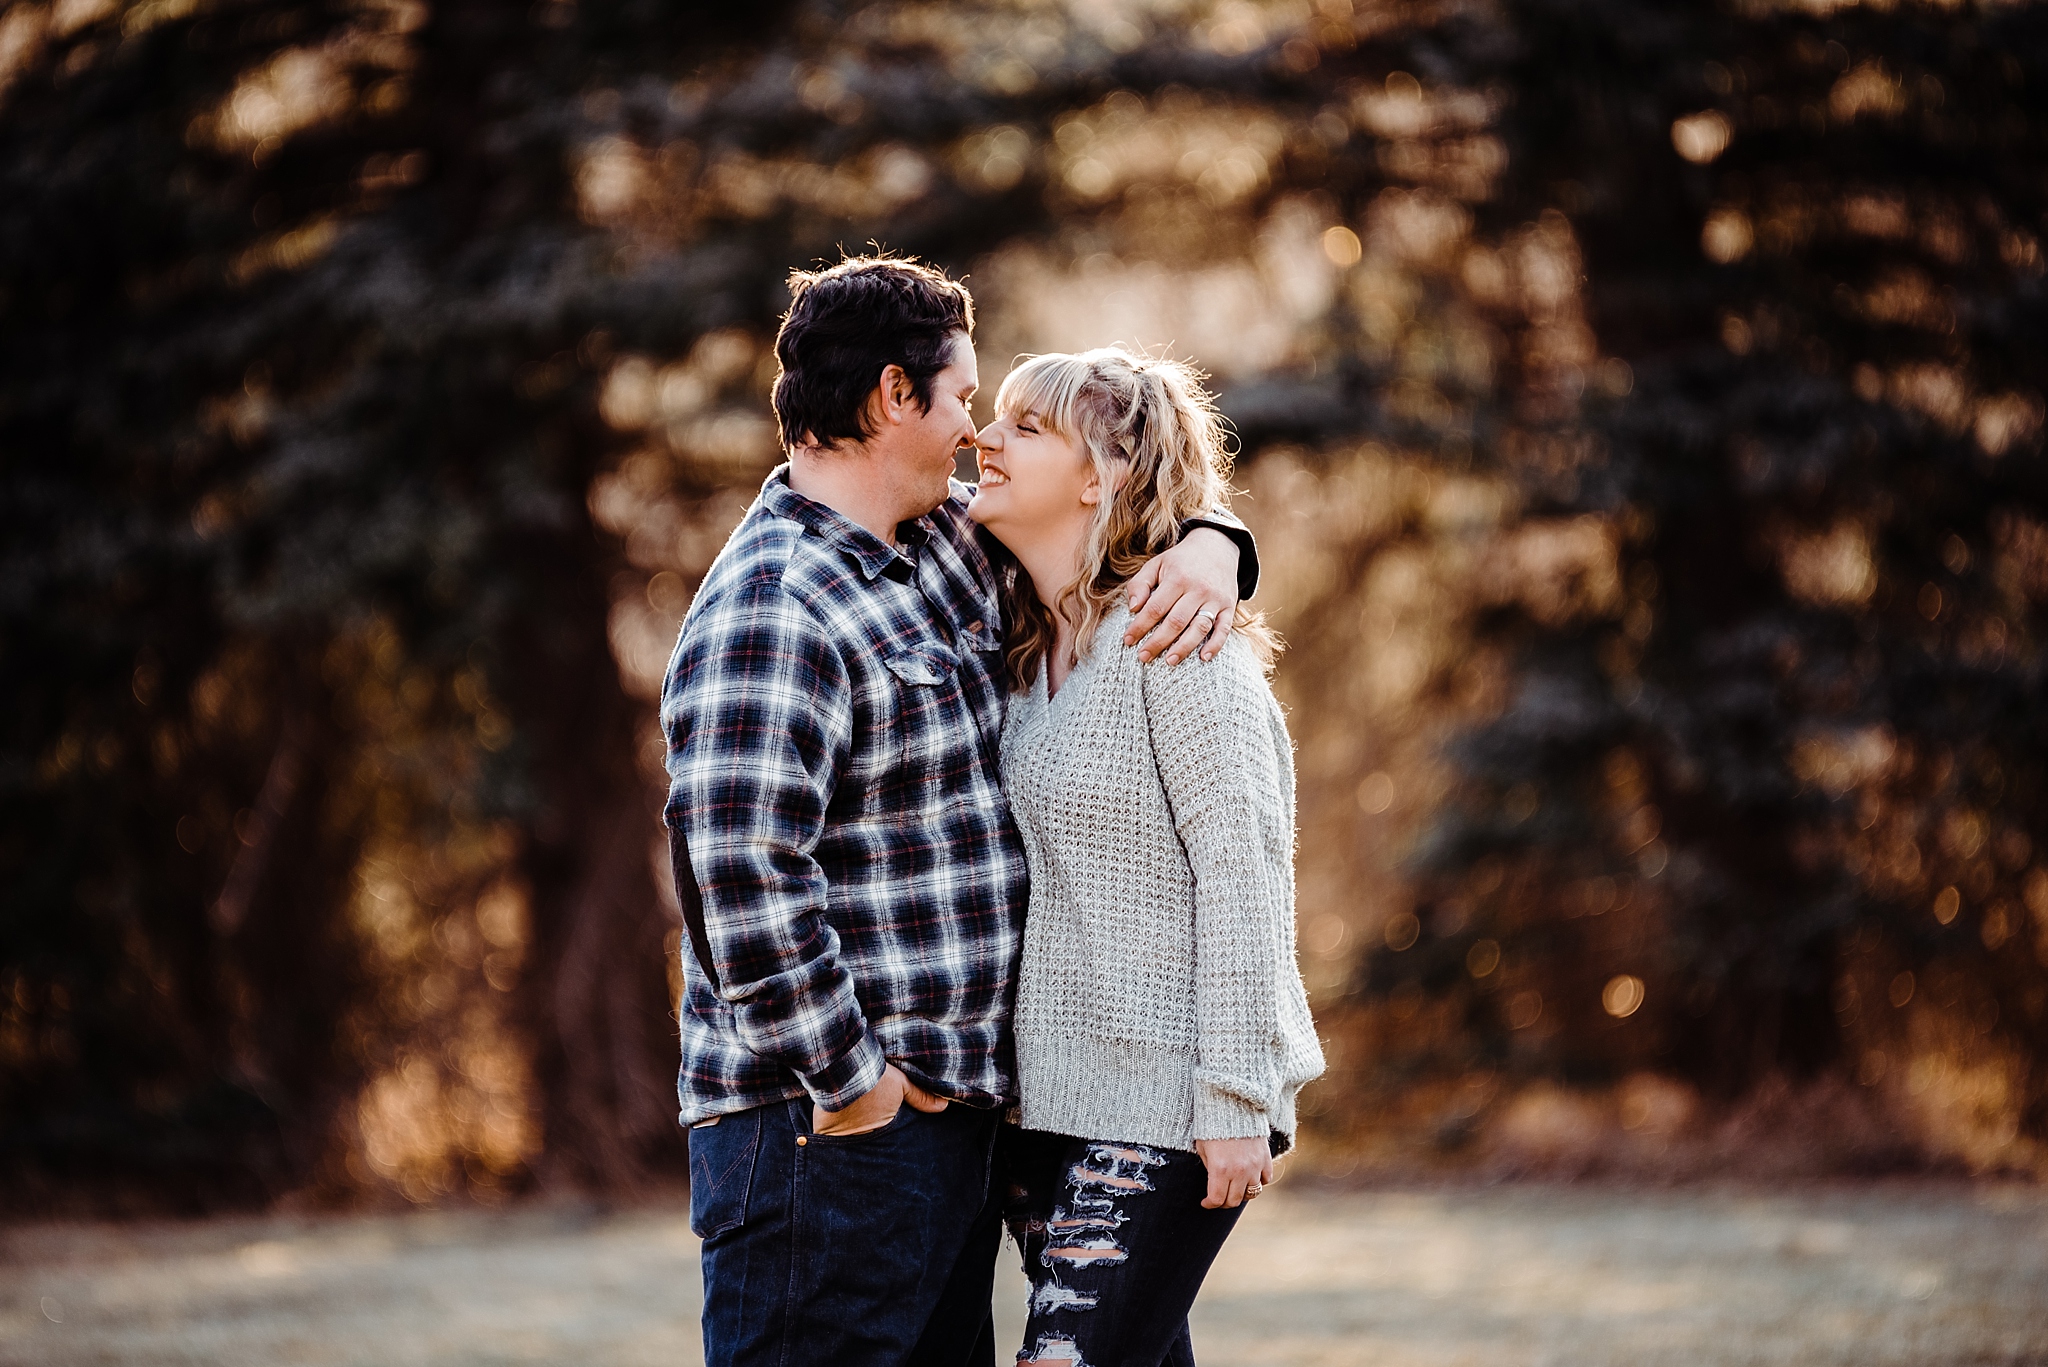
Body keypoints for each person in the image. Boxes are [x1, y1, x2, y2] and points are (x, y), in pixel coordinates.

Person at [659, 257, 1259, 1367]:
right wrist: (855, 1085)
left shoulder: (940, 547)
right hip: (819, 1134)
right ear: (896, 395)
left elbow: (1108, 511)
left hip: (950, 1134)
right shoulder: (773, 602)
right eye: (965, 398)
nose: (977, 432)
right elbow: (738, 872)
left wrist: (1216, 543)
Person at [967, 347, 1325, 1367]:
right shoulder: (1028, 650)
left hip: (1167, 1107)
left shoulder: (1177, 642)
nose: (983, 441)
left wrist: (1234, 1098)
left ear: (1101, 475)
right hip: (1048, 1110)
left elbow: (1243, 877)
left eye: (1024, 427)